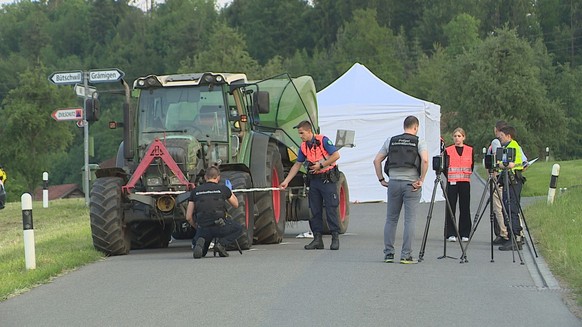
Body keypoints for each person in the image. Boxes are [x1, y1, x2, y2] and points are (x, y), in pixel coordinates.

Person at [373, 116, 428, 264]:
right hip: (412, 184)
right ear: (415, 127)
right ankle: (406, 255)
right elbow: (425, 160)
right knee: (410, 220)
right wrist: (421, 180)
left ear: (404, 126)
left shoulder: (391, 140)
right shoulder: (419, 141)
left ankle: (389, 254)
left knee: (391, 219)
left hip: (393, 183)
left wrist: (381, 179)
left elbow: (377, 160)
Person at [280, 120, 341, 250]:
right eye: (299, 133)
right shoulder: (303, 146)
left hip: (327, 179)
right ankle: (317, 239)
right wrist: (286, 181)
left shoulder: (323, 140)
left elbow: (336, 155)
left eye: (302, 133)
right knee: (314, 210)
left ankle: (335, 237)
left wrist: (321, 165)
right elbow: (298, 164)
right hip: (314, 180)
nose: (300, 136)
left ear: (309, 131)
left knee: (331, 208)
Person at [186, 166, 242, 258]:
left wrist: (197, 227)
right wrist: (230, 191)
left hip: (204, 227)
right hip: (220, 226)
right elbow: (236, 204)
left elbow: (188, 217)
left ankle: (200, 240)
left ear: (205, 177)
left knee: (202, 252)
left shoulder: (195, 191)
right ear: (218, 177)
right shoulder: (223, 189)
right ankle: (221, 244)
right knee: (238, 228)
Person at [496, 125, 526, 251]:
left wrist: (498, 164)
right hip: (510, 180)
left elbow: (511, 164)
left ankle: (514, 237)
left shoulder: (512, 147)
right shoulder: (510, 146)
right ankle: (512, 236)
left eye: (501, 136)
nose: (500, 138)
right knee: (507, 208)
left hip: (513, 180)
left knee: (511, 209)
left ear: (508, 136)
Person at [444, 128, 474, 242]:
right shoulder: (448, 150)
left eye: (459, 136)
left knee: (465, 207)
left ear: (464, 137)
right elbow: (445, 166)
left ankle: (465, 233)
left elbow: (471, 165)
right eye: (455, 136)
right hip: (452, 181)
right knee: (451, 207)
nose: (457, 138)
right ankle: (451, 233)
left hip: (465, 182)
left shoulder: (470, 150)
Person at [488, 121, 509, 245]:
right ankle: (517, 232)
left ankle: (503, 232)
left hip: (498, 176)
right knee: (509, 205)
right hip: (509, 177)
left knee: (498, 207)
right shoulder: (512, 143)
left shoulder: (495, 142)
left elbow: (496, 157)